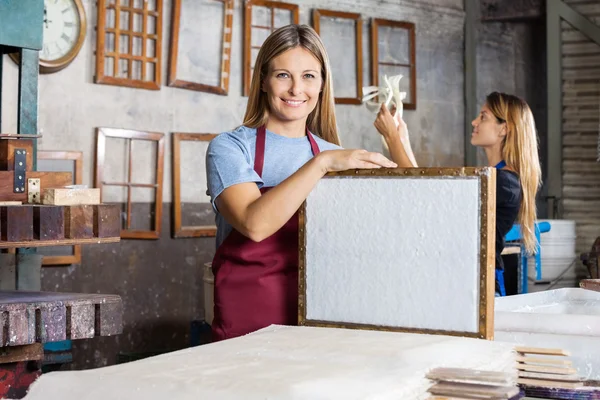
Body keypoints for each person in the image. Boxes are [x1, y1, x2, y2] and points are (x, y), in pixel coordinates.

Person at [205, 24, 396, 341]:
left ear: (322, 84)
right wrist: (320, 164)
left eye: (309, 76)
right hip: (248, 323)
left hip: (325, 319)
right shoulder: (229, 148)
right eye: (283, 75)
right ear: (264, 81)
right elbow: (255, 224)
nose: (296, 89)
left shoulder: (338, 156)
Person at [373, 92, 542, 296]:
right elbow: (424, 189)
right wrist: (402, 139)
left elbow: (419, 193)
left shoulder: (504, 183)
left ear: (504, 129)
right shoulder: (494, 177)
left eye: (483, 117)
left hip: (481, 288)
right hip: (466, 281)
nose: (474, 122)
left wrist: (392, 138)